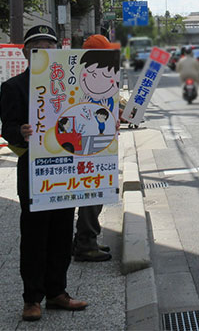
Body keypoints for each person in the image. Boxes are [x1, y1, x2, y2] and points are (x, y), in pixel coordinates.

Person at [0, 25, 88, 322]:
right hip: (35, 171)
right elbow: (7, 129)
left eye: (49, 45)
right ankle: (31, 298)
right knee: (35, 235)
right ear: (25, 52)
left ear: (58, 50)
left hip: (66, 169)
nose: (43, 50)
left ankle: (57, 292)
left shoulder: (73, 85)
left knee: (63, 232)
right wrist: (19, 131)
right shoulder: (13, 87)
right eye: (36, 45)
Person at [71, 33, 120, 263]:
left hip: (96, 146)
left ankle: (85, 239)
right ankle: (85, 243)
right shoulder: (84, 82)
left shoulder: (99, 83)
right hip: (86, 149)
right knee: (91, 194)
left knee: (94, 194)